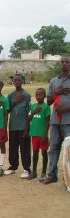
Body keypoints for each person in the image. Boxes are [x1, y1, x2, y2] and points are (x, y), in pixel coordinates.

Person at [43, 57, 70, 185]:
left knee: (68, 150)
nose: (64, 64)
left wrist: (66, 108)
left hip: (68, 121)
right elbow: (48, 101)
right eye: (62, 62)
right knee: (53, 148)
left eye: (67, 62)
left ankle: (68, 178)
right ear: (60, 64)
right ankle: (52, 175)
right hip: (55, 121)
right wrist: (57, 92)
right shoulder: (54, 81)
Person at [4, 74, 32, 178]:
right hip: (13, 126)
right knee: (13, 147)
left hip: (23, 126)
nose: (16, 82)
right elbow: (8, 110)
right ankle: (13, 166)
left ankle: (26, 169)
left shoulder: (27, 95)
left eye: (18, 80)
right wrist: (16, 101)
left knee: (25, 148)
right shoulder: (10, 96)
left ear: (22, 81)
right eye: (15, 80)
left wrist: (27, 128)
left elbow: (29, 113)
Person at [23, 88, 50, 181]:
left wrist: (45, 135)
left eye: (41, 95)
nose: (39, 96)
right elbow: (29, 118)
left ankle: (43, 173)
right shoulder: (33, 106)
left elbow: (48, 123)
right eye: (37, 95)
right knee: (35, 152)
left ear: (45, 96)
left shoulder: (46, 107)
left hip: (42, 135)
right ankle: (34, 172)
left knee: (44, 152)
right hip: (34, 134)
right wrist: (35, 111)